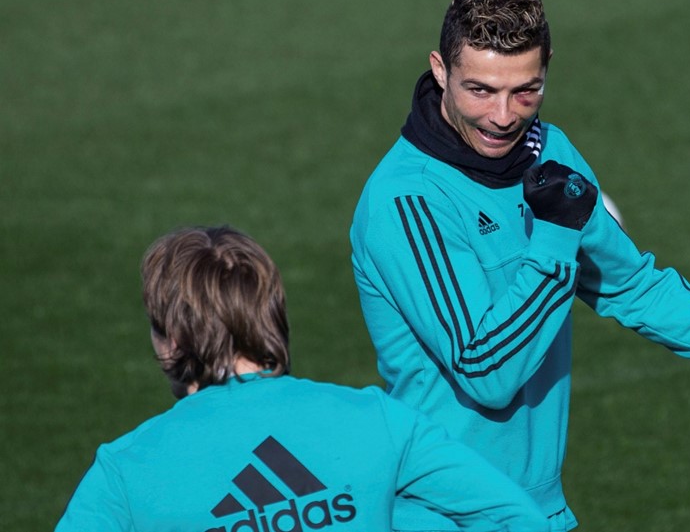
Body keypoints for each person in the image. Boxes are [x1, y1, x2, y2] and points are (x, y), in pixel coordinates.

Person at [349, 0, 690, 532]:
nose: (503, 115)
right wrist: (556, 235)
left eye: (525, 90)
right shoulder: (406, 200)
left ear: (548, 68)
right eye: (480, 90)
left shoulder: (548, 152)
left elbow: (631, 285)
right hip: (444, 516)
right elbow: (486, 369)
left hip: (539, 512)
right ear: (440, 71)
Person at [55, 226, 548, 532]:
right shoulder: (378, 420)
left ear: (173, 339)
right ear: (271, 314)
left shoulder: (124, 471)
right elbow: (518, 520)